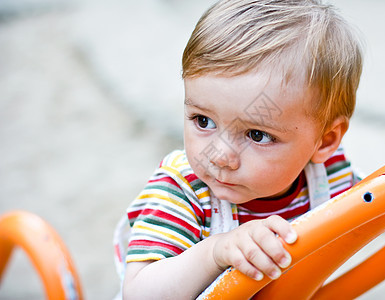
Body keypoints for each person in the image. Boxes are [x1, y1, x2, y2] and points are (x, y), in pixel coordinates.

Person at [121, 0, 364, 298]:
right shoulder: (184, 189)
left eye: (257, 135)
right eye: (203, 120)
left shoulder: (330, 176)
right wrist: (215, 252)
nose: (220, 156)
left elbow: (372, 206)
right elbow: (139, 293)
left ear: (325, 141)